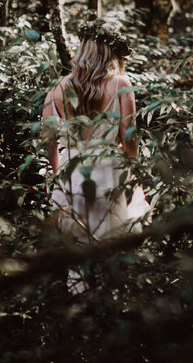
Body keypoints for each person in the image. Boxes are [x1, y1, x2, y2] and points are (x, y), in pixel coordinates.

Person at [41, 21, 149, 293]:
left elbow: (49, 142)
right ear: (110, 54)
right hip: (109, 171)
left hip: (71, 172)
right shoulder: (121, 83)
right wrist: (131, 170)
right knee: (111, 244)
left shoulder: (57, 88)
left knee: (78, 248)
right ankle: (110, 305)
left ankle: (78, 305)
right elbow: (129, 138)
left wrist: (55, 178)